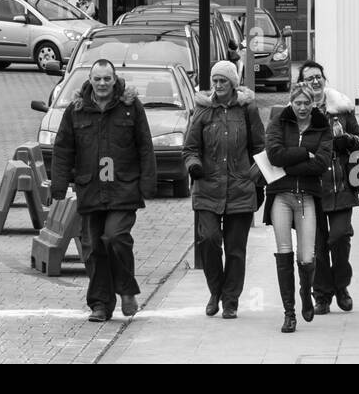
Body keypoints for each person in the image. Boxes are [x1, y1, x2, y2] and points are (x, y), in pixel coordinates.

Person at [50, 59, 157, 322]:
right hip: (90, 190)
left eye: (106, 79)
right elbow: (63, 149)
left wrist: (148, 184)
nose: (102, 84)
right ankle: (101, 303)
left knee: (115, 237)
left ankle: (127, 291)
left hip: (123, 189)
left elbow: (145, 145)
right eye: (97, 79)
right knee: (93, 247)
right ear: (90, 80)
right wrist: (59, 186)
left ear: (114, 79)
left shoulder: (130, 108)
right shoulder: (76, 110)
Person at [182, 60, 265, 320]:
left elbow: (260, 147)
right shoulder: (203, 110)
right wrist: (193, 165)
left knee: (235, 249)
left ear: (233, 84)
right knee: (208, 240)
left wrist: (256, 176)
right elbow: (190, 147)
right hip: (207, 187)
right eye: (215, 81)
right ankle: (215, 291)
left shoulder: (247, 110)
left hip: (240, 188)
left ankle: (231, 301)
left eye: (223, 81)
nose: (218, 86)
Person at [292, 62, 359, 316]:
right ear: (301, 83)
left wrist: (347, 140)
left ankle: (341, 286)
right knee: (318, 246)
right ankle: (322, 295)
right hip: (311, 190)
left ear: (325, 79)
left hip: (341, 187)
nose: (315, 81)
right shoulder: (297, 113)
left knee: (339, 237)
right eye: (309, 78)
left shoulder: (341, 109)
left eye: (318, 77)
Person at [264, 82, 329, 333]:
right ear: (291, 102)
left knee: (307, 256)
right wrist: (304, 153)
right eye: (298, 103)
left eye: (307, 103)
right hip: (281, 195)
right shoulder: (279, 121)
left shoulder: (322, 126)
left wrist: (289, 163)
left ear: (313, 103)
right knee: (283, 252)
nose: (302, 107)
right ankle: (289, 312)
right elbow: (274, 156)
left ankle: (305, 293)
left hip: (307, 197)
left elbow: (321, 164)